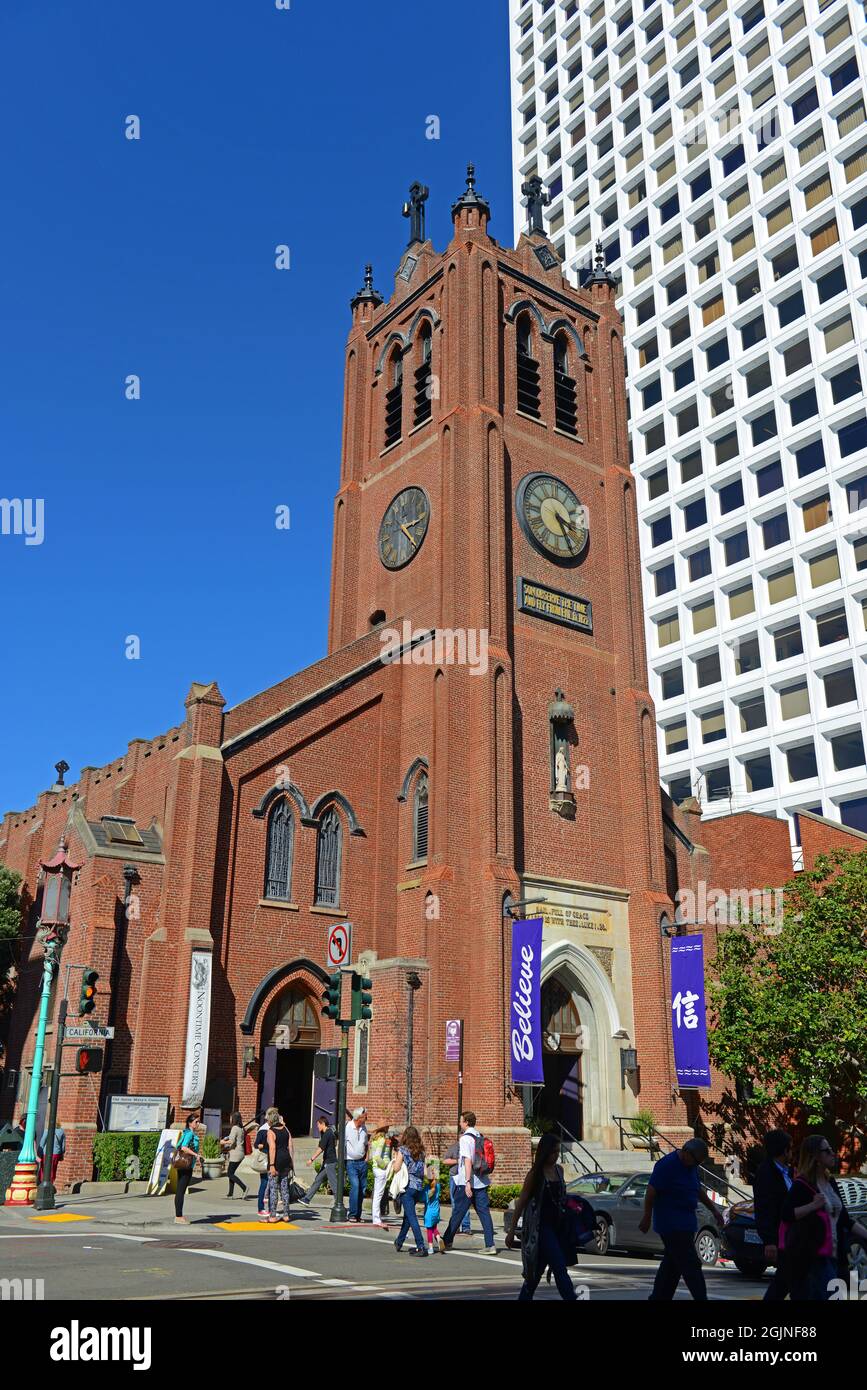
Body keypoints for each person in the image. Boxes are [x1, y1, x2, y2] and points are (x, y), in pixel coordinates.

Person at [780, 1134, 867, 1301]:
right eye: (827, 1151)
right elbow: (786, 1215)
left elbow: (845, 1220)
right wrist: (812, 1206)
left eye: (831, 1149)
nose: (832, 1153)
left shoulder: (831, 1182)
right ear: (815, 1157)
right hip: (813, 1257)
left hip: (834, 1256)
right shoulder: (802, 1185)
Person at [507, 1132, 578, 1301]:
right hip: (541, 1229)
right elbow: (522, 1202)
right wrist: (512, 1230)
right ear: (545, 1152)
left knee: (536, 1272)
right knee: (560, 1268)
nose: (556, 1156)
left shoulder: (559, 1171)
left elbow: (563, 1198)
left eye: (558, 1152)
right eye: (553, 1152)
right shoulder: (535, 1175)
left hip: (558, 1227)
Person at [640, 1137, 711, 1300]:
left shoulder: (691, 1166)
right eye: (696, 1161)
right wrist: (647, 1217)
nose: (696, 1165)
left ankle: (658, 1297)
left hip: (686, 1223)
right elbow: (651, 1192)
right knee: (691, 1264)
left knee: (672, 1265)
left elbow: (697, 1189)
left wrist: (714, 1210)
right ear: (686, 1152)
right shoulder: (666, 1165)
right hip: (670, 1223)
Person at [438, 1111, 496, 1254]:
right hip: (481, 1181)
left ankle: (446, 1241)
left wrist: (468, 1181)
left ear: (466, 1122)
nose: (459, 1123)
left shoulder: (465, 1139)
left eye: (461, 1121)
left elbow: (467, 1160)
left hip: (468, 1182)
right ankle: (490, 1244)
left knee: (458, 1211)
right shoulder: (479, 1136)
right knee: (484, 1213)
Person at [752, 1129, 793, 1301]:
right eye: (790, 1148)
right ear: (784, 1150)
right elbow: (764, 1208)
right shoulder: (766, 1173)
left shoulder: (788, 1172)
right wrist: (769, 1240)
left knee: (789, 1279)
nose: (792, 1152)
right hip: (780, 1235)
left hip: (793, 1235)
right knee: (786, 1279)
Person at [391, 1125, 429, 1256]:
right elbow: (426, 1171)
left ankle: (420, 1245)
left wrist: (395, 1158)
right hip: (418, 1187)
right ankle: (399, 1241)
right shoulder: (421, 1152)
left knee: (411, 1217)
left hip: (407, 1187)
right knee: (407, 1217)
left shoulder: (403, 1150)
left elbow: (396, 1168)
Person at [300, 1116, 338, 1205]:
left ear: (323, 1124)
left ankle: (338, 1202)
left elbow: (320, 1148)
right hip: (327, 1161)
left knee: (333, 1183)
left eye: (318, 1125)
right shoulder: (327, 1133)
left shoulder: (328, 1133)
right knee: (318, 1179)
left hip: (330, 1162)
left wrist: (311, 1159)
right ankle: (307, 1199)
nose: (317, 1127)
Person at [266, 1108, 294, 1224]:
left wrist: (272, 1165)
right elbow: (291, 1146)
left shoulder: (271, 1131)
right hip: (286, 1160)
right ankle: (286, 1214)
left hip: (276, 1161)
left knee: (273, 1189)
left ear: (270, 1120)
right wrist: (292, 1163)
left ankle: (273, 1215)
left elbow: (272, 1148)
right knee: (284, 1189)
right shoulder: (286, 1130)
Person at [173, 1114, 201, 1224]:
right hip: (186, 1164)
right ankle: (178, 1216)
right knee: (181, 1190)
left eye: (198, 1122)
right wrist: (196, 1155)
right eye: (196, 1122)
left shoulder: (186, 1132)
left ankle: (178, 1215)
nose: (198, 1124)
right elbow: (184, 1147)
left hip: (182, 1164)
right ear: (190, 1123)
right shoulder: (189, 1134)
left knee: (180, 1189)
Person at [345, 1107, 369, 1223]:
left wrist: (367, 1157)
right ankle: (352, 1214)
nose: (366, 1119)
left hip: (362, 1162)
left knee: (362, 1189)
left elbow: (366, 1143)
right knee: (355, 1186)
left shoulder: (364, 1128)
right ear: (359, 1118)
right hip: (351, 1162)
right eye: (365, 1117)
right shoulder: (348, 1127)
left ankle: (358, 1214)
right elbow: (342, 1144)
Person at [444, 1138, 472, 1235]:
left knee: (465, 1203)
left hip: (465, 1178)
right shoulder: (454, 1147)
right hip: (454, 1177)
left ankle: (466, 1226)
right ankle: (455, 1227)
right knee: (454, 1203)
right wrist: (458, 1161)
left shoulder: (469, 1147)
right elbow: (445, 1160)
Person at [221, 1111, 248, 1199]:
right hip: (240, 1153)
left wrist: (222, 1142)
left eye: (231, 1117)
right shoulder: (241, 1128)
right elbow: (233, 1137)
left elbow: (231, 1141)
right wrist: (227, 1137)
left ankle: (244, 1188)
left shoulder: (235, 1128)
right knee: (231, 1173)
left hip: (235, 1153)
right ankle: (230, 1194)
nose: (229, 1119)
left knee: (229, 1173)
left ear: (234, 1119)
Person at [369, 1124, 392, 1227]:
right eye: (387, 1127)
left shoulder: (375, 1139)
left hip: (375, 1168)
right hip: (380, 1169)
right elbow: (378, 1156)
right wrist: (385, 1166)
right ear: (384, 1128)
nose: (388, 1129)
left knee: (377, 1194)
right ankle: (377, 1219)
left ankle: (376, 1218)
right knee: (378, 1195)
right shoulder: (381, 1139)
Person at [253, 1112, 271, 1218]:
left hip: (271, 1158)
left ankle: (268, 1207)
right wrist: (265, 1145)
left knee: (269, 1184)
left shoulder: (273, 1128)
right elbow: (256, 1144)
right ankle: (261, 1208)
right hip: (265, 1158)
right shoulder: (263, 1129)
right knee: (264, 1183)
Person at [37, 1121, 66, 1186]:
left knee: (43, 1169)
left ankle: (42, 1184)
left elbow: (42, 1142)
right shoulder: (61, 1132)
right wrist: (61, 1153)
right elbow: (63, 1146)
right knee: (53, 1169)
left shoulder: (47, 1131)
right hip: (56, 1154)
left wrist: (39, 1153)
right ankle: (51, 1184)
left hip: (46, 1154)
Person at [424, 1165, 441, 1254]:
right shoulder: (438, 1186)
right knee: (434, 1227)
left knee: (429, 1230)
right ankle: (438, 1238)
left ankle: (431, 1247)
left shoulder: (427, 1189)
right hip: (437, 1210)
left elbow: (423, 1198)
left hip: (429, 1212)